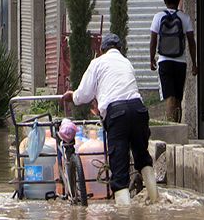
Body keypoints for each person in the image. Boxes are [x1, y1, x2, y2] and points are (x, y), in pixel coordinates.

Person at [62, 33, 158, 205]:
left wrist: (72, 97)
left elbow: (83, 94)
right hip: (138, 110)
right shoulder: (126, 62)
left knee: (119, 167)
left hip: (117, 114)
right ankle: (156, 200)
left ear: (102, 50)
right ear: (120, 49)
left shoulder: (97, 63)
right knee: (142, 156)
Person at [149, 0, 197, 123]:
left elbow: (153, 41)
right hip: (180, 63)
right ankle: (177, 127)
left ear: (164, 0)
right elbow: (191, 43)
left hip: (164, 61)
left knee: (169, 97)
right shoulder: (185, 18)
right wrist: (194, 63)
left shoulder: (158, 17)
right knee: (178, 98)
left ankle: (172, 131)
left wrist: (151, 59)